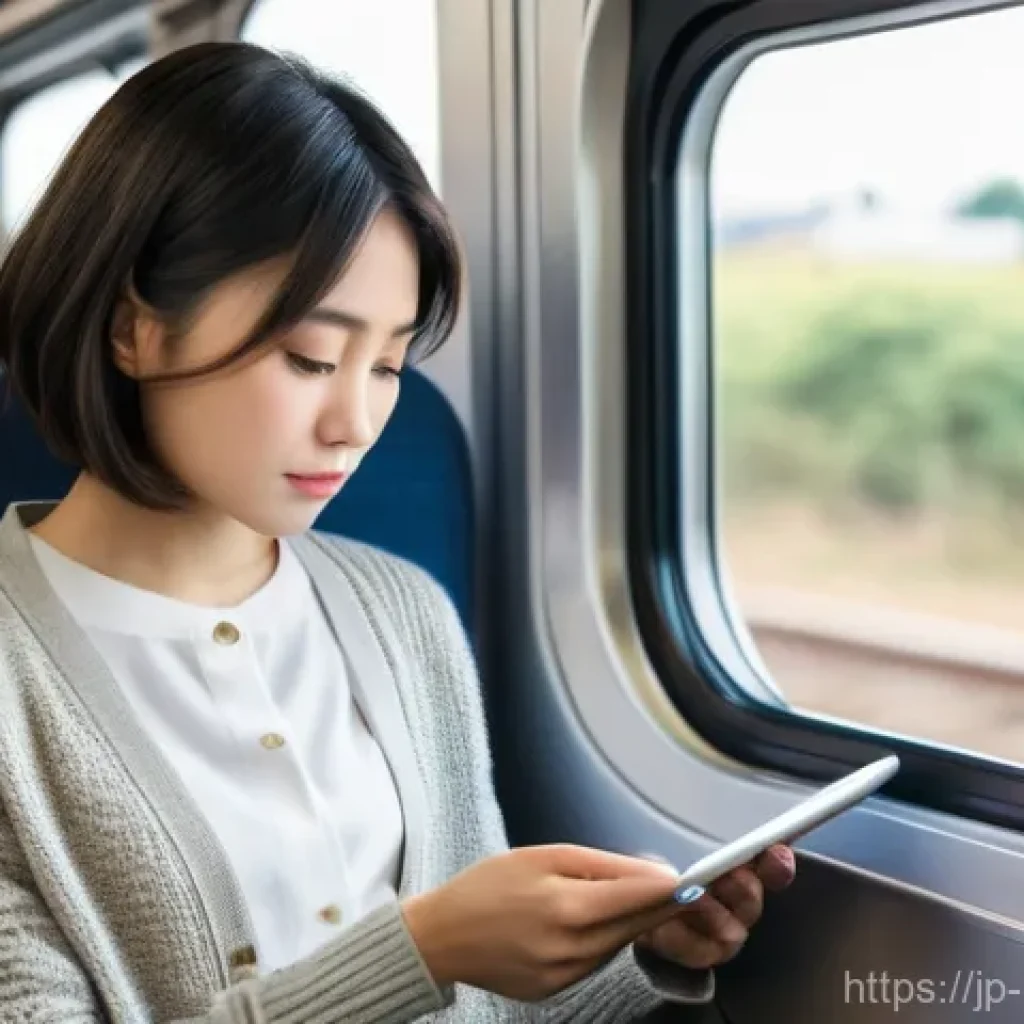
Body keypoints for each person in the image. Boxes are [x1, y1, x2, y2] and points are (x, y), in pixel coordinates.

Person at [0, 41, 795, 1023]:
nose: (357, 424)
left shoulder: (404, 613)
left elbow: (485, 1007)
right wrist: (426, 947)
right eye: (310, 357)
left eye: (386, 366)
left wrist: (633, 953)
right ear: (134, 330)